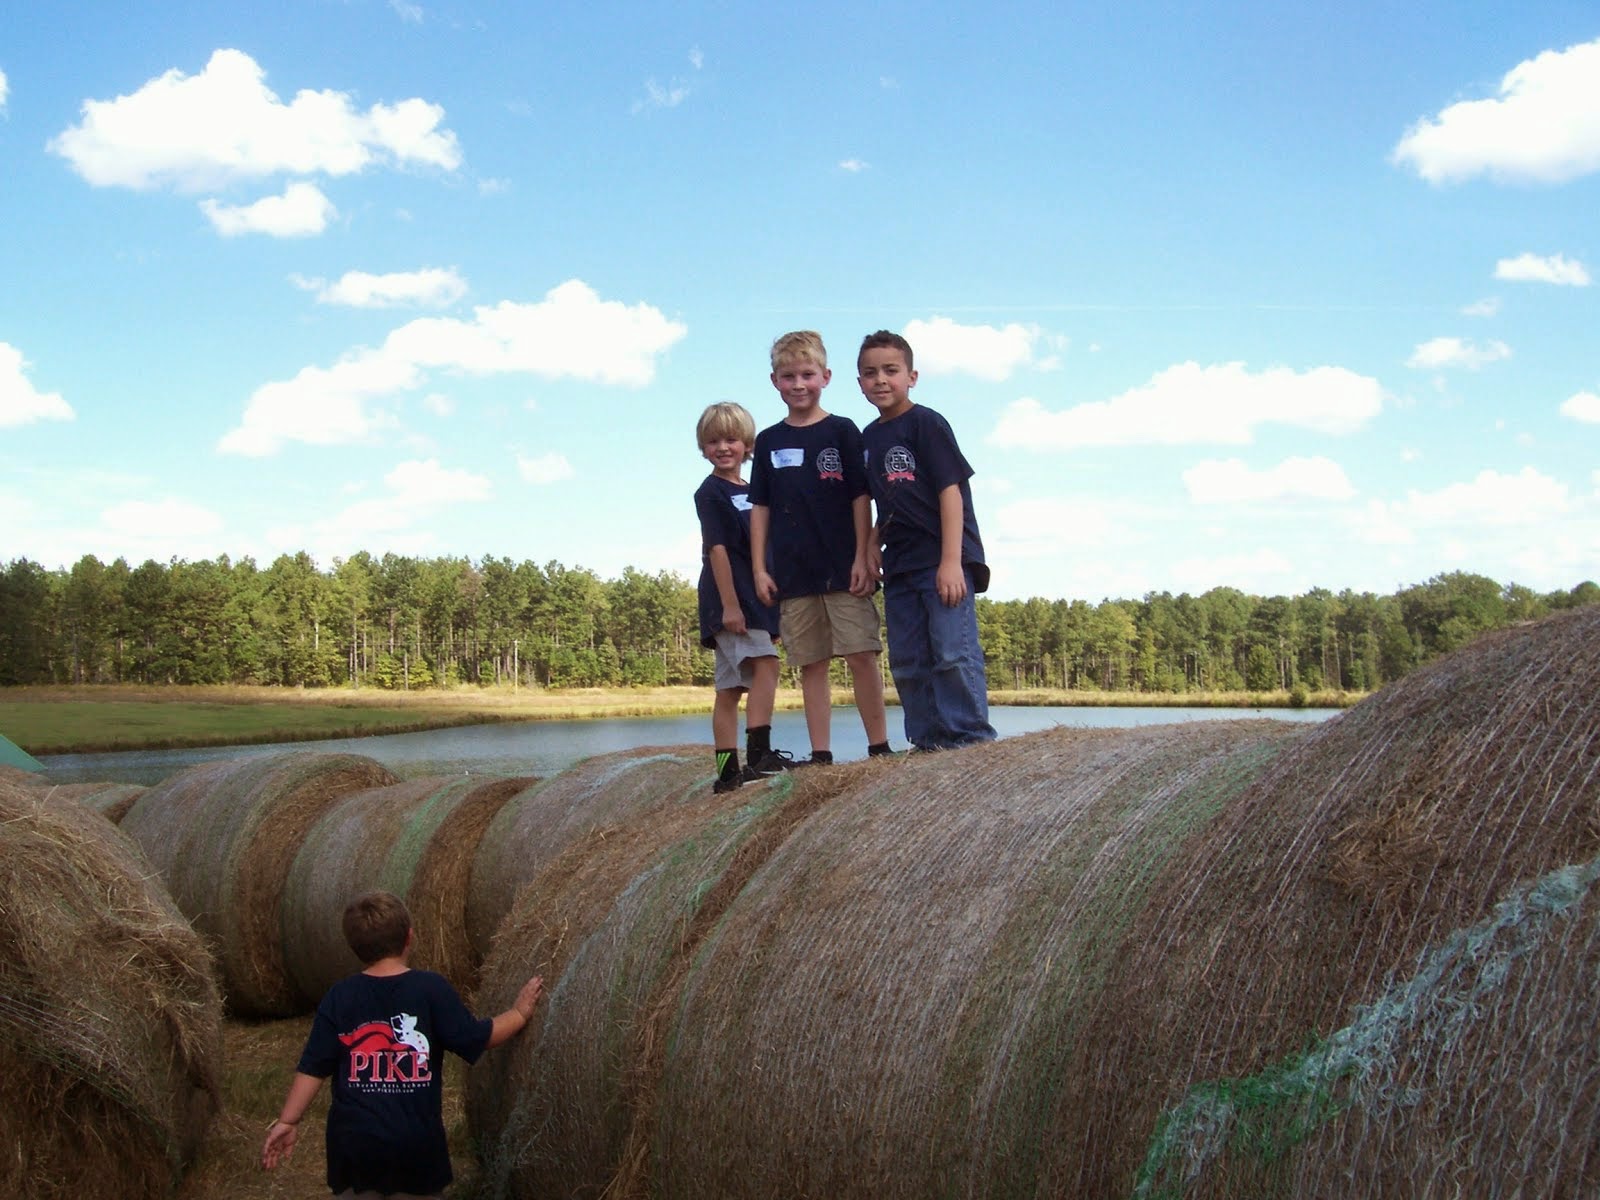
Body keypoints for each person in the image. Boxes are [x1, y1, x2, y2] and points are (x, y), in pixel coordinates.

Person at [261, 891, 543, 1198]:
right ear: (409, 937)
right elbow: (476, 1037)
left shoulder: (340, 996)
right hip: (416, 1146)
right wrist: (518, 1014)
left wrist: (289, 1120)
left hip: (355, 1147)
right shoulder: (431, 989)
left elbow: (313, 1066)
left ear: (353, 947)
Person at [749, 330, 893, 765]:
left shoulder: (842, 431)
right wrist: (759, 567)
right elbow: (760, 508)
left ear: (826, 377)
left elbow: (860, 497)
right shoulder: (769, 441)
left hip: (844, 568)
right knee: (811, 664)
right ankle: (822, 754)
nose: (798, 384)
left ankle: (879, 747)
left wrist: (863, 555)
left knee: (861, 654)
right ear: (774, 381)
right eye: (788, 376)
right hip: (793, 574)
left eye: (807, 375)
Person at [857, 329, 997, 751]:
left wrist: (952, 561)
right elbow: (886, 503)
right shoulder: (869, 438)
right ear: (858, 382)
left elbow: (949, 492)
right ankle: (928, 741)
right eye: (869, 373)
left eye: (890, 370)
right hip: (900, 563)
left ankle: (970, 739)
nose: (880, 380)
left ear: (912, 377)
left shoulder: (927, 423)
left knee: (952, 652)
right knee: (909, 660)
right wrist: (868, 546)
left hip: (942, 559)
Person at [694, 401, 794, 792]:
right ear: (703, 447)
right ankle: (758, 755)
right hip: (730, 600)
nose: (723, 447)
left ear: (747, 445)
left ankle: (725, 773)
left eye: (732, 439)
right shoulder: (710, 492)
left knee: (730, 689)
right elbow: (716, 550)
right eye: (713, 440)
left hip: (757, 600)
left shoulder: (754, 492)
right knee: (767, 668)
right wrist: (730, 606)